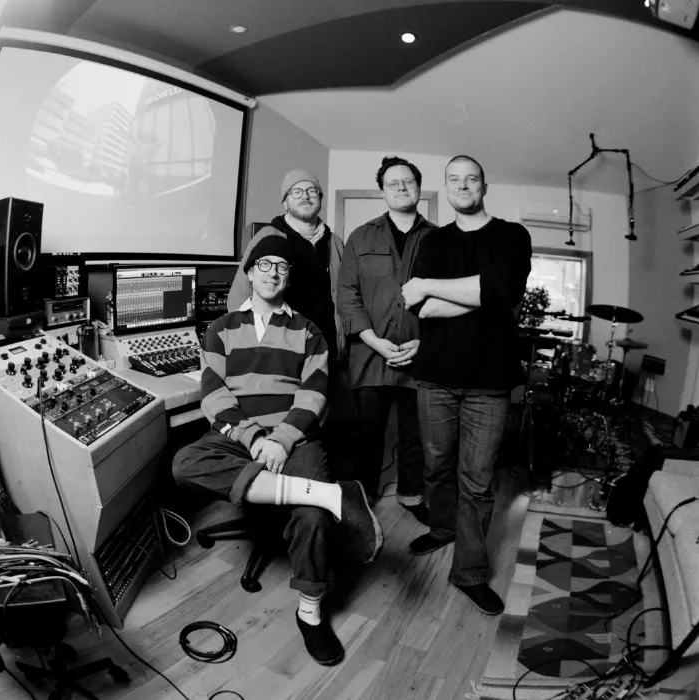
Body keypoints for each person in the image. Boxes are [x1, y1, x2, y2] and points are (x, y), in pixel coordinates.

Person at [173, 227, 382, 666]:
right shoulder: (221, 328)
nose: (272, 272)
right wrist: (253, 438)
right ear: (249, 273)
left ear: (288, 277)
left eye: (281, 267)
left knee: (312, 517)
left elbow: (315, 395)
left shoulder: (309, 332)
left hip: (296, 433)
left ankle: (310, 613)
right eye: (263, 265)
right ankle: (328, 493)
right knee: (185, 461)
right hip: (239, 436)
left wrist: (283, 439)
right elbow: (213, 395)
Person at [401, 155, 531, 616]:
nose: (462, 186)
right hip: (435, 376)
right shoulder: (433, 240)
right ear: (446, 188)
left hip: (489, 382)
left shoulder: (512, 235)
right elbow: (420, 308)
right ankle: (441, 527)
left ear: (483, 185)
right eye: (453, 180)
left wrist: (435, 288)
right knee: (436, 465)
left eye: (470, 179)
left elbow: (501, 293)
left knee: (476, 481)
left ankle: (470, 573)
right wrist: (480, 295)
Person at [337, 156, 436, 521]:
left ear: (418, 188)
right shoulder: (361, 237)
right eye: (392, 183)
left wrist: (424, 342)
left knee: (416, 432)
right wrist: (374, 341)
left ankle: (411, 495)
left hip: (420, 355)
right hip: (369, 354)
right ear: (382, 191)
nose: (400, 187)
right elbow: (347, 294)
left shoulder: (439, 240)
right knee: (367, 431)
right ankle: (365, 494)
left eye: (407, 181)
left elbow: (446, 298)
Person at [227, 169, 345, 361]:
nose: (305, 197)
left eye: (311, 191)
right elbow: (237, 300)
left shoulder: (336, 242)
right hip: (282, 357)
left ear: (320, 198)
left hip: (329, 355)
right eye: (296, 191)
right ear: (285, 202)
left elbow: (348, 297)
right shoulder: (268, 237)